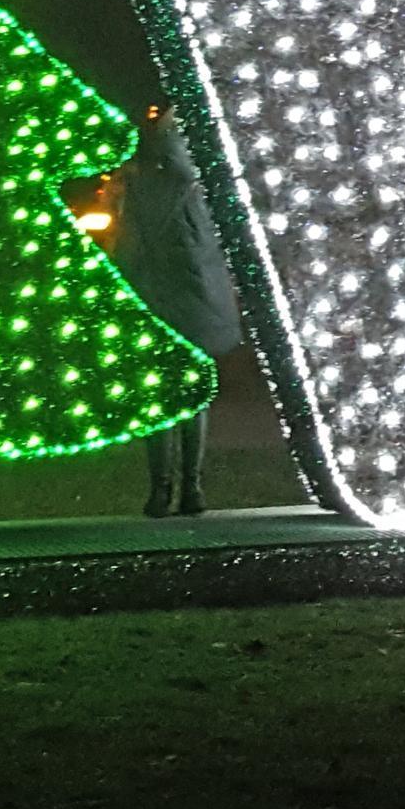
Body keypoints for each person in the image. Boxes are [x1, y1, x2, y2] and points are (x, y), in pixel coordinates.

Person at [111, 106, 242, 518]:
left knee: (160, 397)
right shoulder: (206, 187)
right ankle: (192, 487)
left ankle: (160, 490)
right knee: (193, 397)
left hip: (156, 299)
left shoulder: (140, 185)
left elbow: (128, 247)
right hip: (199, 303)